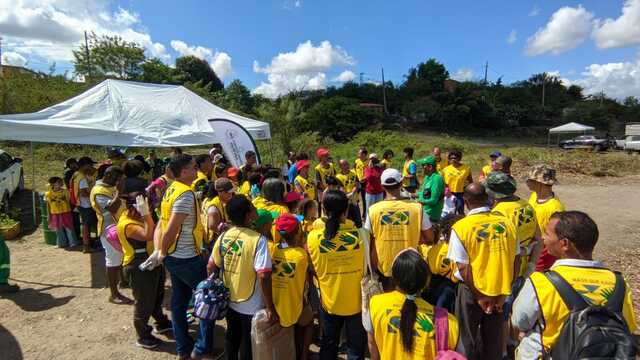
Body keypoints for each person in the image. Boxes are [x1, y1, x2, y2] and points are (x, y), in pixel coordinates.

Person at [511, 211, 638, 359]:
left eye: (547, 234)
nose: (544, 238)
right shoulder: (619, 283)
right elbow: (628, 326)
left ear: (564, 243)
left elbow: (519, 321)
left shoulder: (541, 282)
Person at [446, 183, 519, 360]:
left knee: (466, 338)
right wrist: (505, 289)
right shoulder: (507, 223)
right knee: (493, 340)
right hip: (500, 291)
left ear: (466, 201)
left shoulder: (462, 227)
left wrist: (480, 296)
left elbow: (462, 267)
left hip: (471, 292)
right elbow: (517, 258)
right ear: (487, 199)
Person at [209, 195, 277, 360]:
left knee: (232, 335)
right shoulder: (258, 241)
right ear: (248, 215)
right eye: (252, 208)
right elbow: (263, 275)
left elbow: (211, 265)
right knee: (247, 342)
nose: (255, 211)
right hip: (250, 302)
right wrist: (270, 307)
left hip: (229, 298)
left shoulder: (224, 235)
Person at [159, 154, 212, 360]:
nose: (196, 170)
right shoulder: (185, 194)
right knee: (207, 302)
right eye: (192, 167)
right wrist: (162, 251)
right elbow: (171, 227)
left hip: (175, 255)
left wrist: (163, 252)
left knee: (179, 302)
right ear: (183, 172)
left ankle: (183, 349)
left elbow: (162, 223)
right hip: (186, 257)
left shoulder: (171, 188)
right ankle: (201, 350)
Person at [368, 249, 462, 360]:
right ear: (426, 282)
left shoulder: (376, 304)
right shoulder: (449, 322)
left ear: (394, 278)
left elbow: (372, 345)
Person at [307, 190, 366, 359]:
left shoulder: (313, 237)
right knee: (356, 349)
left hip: (329, 303)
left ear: (324, 211)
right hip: (356, 304)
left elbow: (312, 265)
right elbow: (372, 265)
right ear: (346, 210)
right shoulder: (363, 235)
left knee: (328, 346)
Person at [117, 185, 172, 349]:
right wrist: (146, 214)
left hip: (151, 261)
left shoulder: (138, 218)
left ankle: (161, 322)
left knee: (156, 296)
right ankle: (142, 335)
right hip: (137, 265)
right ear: (137, 207)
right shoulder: (128, 223)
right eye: (147, 205)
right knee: (144, 302)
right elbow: (148, 234)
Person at [365, 168, 434, 290]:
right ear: (402, 183)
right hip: (410, 266)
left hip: (384, 267)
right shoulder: (417, 208)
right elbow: (430, 237)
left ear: (382, 186)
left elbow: (369, 243)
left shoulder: (373, 210)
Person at [272, 214, 313, 360]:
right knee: (308, 321)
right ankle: (303, 355)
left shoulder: (272, 250)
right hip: (295, 305)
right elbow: (305, 283)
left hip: (275, 305)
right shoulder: (301, 255)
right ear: (297, 232)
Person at [90, 166, 132, 304]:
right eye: (119, 179)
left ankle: (123, 281)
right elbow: (112, 208)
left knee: (121, 256)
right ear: (109, 177)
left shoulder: (110, 186)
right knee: (113, 261)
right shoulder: (98, 191)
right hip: (109, 231)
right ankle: (114, 294)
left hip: (119, 227)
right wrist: (119, 192)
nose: (121, 182)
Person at [487, 172, 539, 281]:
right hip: (523, 269)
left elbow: (499, 248)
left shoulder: (499, 214)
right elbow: (538, 239)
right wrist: (532, 264)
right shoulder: (527, 206)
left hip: (506, 272)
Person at [420, 214, 462, 313]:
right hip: (448, 289)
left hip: (431, 286)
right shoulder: (456, 251)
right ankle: (441, 329)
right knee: (442, 316)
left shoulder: (434, 249)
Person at [526, 164, 565, 272]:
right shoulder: (534, 195)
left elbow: (556, 237)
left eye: (530, 180)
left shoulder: (554, 208)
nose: (527, 182)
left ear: (540, 183)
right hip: (532, 245)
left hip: (544, 251)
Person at [45, 176, 80, 249]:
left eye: (61, 182)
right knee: (58, 229)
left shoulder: (66, 192)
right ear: (53, 184)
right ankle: (61, 243)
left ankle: (73, 242)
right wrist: (49, 215)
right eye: (58, 182)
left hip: (66, 212)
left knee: (69, 227)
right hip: (55, 213)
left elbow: (71, 201)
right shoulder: (48, 194)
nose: (61, 183)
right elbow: (48, 205)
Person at [73, 156, 98, 253]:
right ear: (85, 165)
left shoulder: (76, 174)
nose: (92, 167)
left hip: (80, 203)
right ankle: (86, 246)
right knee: (86, 225)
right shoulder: (82, 178)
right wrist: (94, 195)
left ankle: (89, 243)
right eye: (90, 165)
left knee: (87, 223)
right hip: (85, 204)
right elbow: (83, 193)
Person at [202, 178, 235, 249]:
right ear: (220, 192)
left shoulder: (220, 201)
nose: (231, 194)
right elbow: (212, 226)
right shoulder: (214, 208)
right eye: (228, 192)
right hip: (213, 242)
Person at [441, 150, 472, 215]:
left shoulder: (466, 168)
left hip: (460, 194)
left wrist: (468, 193)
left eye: (455, 158)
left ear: (459, 158)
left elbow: (470, 181)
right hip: (449, 194)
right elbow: (442, 182)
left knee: (460, 209)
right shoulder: (446, 169)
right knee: (448, 211)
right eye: (451, 158)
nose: (453, 160)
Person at [416, 156, 445, 223]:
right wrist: (409, 195)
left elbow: (433, 200)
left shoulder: (437, 179)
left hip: (431, 215)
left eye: (423, 165)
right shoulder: (427, 177)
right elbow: (423, 193)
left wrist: (417, 202)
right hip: (424, 212)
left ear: (430, 167)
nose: (422, 167)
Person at [336, 159, 362, 226]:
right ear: (340, 167)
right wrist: (348, 196)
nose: (347, 166)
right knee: (347, 221)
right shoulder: (338, 177)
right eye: (344, 165)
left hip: (354, 200)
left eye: (347, 164)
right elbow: (341, 189)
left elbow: (357, 184)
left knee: (358, 221)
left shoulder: (353, 173)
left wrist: (352, 194)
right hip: (345, 202)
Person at [354, 147, 369, 215]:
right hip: (357, 182)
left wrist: (365, 178)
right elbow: (354, 169)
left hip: (365, 183)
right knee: (355, 198)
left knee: (364, 199)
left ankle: (364, 214)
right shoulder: (357, 161)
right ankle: (355, 213)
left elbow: (371, 172)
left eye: (359, 153)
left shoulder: (369, 162)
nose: (358, 155)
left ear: (364, 154)